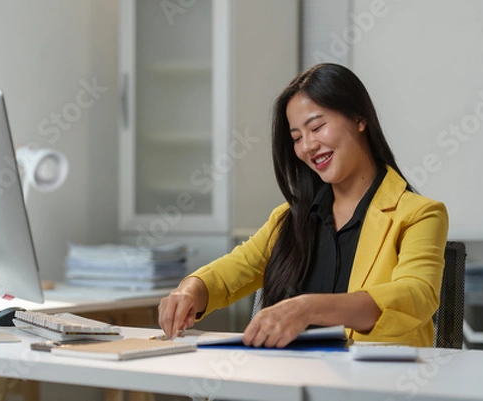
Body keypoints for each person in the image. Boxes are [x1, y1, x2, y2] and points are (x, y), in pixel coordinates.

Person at [158, 63, 449, 348]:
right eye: (297, 137)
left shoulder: (419, 215)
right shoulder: (289, 218)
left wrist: (309, 308)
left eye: (317, 127)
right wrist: (190, 290)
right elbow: (232, 272)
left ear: (360, 120)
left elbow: (415, 295)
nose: (307, 146)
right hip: (290, 382)